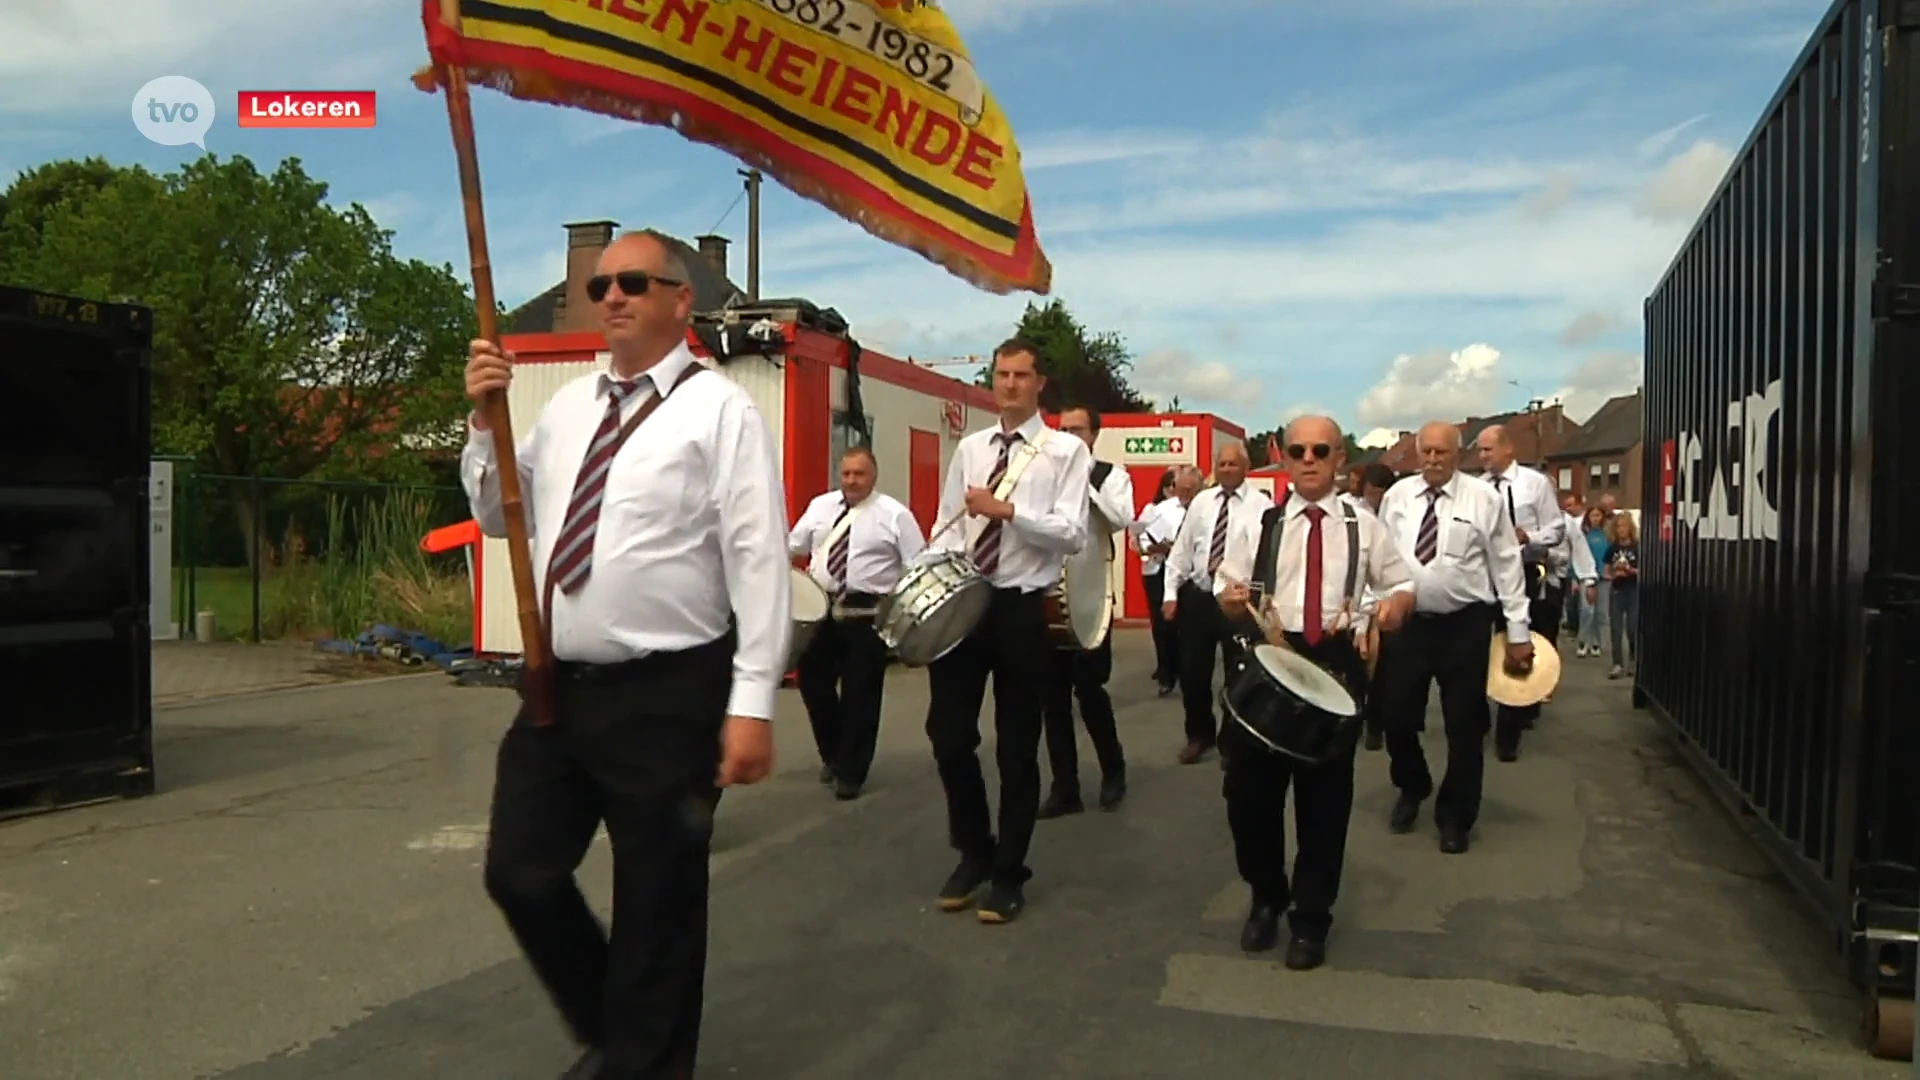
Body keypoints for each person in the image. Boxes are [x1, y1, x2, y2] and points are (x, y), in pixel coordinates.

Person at [461, 231, 789, 1080]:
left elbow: (757, 561)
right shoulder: (569, 407)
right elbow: (504, 516)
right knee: (521, 872)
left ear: (681, 299)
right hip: (561, 688)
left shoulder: (720, 411)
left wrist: (752, 702)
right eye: (602, 283)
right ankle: (618, 1024)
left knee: (658, 902)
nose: (612, 295)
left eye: (633, 282)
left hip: (670, 689)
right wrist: (481, 421)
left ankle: (644, 1062)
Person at [1214, 417, 1415, 969]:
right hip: (1267, 656)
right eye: (1297, 450)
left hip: (1335, 660)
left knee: (1324, 805)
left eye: (1319, 450)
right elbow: (1225, 582)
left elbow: (1400, 582)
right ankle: (1266, 894)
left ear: (1338, 457)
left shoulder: (1363, 525)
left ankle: (1310, 920)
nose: (1307, 458)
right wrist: (1230, 599)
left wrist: (1397, 606)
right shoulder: (1262, 521)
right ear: (1283, 457)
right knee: (1248, 799)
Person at [919, 339, 1091, 924]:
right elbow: (948, 522)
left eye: (1021, 375)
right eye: (1001, 374)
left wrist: (1009, 513)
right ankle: (974, 850)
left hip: (1021, 605)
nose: (1009, 384)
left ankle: (1009, 872)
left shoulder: (1064, 451)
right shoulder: (970, 447)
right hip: (965, 599)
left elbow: (1071, 534)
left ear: (1041, 383)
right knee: (947, 734)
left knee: (1017, 744)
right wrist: (928, 572)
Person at [1374, 422, 1531, 855]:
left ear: (1457, 455)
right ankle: (1413, 783)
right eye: (1426, 451)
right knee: (1395, 716)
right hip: (1409, 624)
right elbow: (1380, 557)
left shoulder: (1483, 500)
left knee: (1465, 724)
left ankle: (1456, 816)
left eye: (1442, 452)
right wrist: (1374, 609)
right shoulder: (1398, 498)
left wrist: (1518, 631)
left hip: (1465, 624)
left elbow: (1506, 566)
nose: (1432, 459)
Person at [788, 445, 925, 800]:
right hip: (822, 606)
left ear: (873, 476)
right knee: (814, 684)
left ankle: (852, 771)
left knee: (860, 693)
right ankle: (833, 754)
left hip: (867, 611)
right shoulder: (820, 507)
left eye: (859, 474)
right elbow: (794, 544)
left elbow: (917, 566)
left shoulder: (895, 515)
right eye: (846, 473)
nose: (851, 480)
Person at [1039, 406, 1135, 817]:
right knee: (1052, 699)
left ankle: (1113, 771)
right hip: (1049, 594)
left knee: (1091, 691)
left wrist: (1084, 484)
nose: (1070, 435)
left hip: (1089, 597)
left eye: (1078, 429)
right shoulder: (1045, 473)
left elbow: (1120, 519)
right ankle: (1065, 788)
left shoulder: (1111, 475)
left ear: (1095, 434)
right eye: (1063, 429)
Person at [1163, 444, 1273, 764]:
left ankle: (1232, 742)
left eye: (1232, 463)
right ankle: (1199, 736)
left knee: (1238, 675)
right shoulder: (1201, 502)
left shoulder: (1262, 506)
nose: (1226, 468)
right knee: (1193, 672)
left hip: (1237, 601)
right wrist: (1170, 593)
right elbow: (1182, 550)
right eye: (1221, 463)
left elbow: (1264, 560)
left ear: (1246, 467)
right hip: (1198, 597)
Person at [1471, 424, 1563, 761]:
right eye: (1479, 451)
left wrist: (1529, 537)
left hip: (1522, 572)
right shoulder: (1477, 489)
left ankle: (1509, 729)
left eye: (1487, 449)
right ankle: (1477, 717)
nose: (1482, 456)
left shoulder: (1534, 484)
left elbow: (1557, 528)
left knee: (1516, 644)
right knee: (1479, 646)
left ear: (1508, 449)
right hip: (1482, 576)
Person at [1134, 466, 1200, 696]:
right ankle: (1166, 674)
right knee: (1162, 625)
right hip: (1158, 569)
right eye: (1180, 488)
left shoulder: (1204, 510)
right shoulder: (1160, 510)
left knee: (1188, 626)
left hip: (1189, 575)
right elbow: (1140, 536)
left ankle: (1187, 671)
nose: (1184, 494)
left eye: (1190, 489)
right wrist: (1150, 547)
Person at [1605, 513, 1640, 678]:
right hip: (1617, 591)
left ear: (1630, 528)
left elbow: (1644, 571)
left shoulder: (1637, 547)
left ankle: (1633, 659)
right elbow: (1605, 570)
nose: (1621, 530)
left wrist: (1630, 571)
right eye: (1618, 526)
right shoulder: (1612, 548)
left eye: (1624, 526)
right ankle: (1617, 664)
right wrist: (1613, 574)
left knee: (1632, 628)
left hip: (1633, 590)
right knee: (1616, 629)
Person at [1577, 505, 1612, 657]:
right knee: (1587, 610)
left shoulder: (1608, 536)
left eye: (1598, 515)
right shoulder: (1583, 535)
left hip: (1604, 578)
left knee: (1601, 612)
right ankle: (1583, 640)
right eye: (1593, 515)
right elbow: (1577, 556)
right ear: (1588, 517)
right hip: (1587, 577)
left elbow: (1611, 556)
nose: (1596, 518)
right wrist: (1574, 579)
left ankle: (1596, 643)